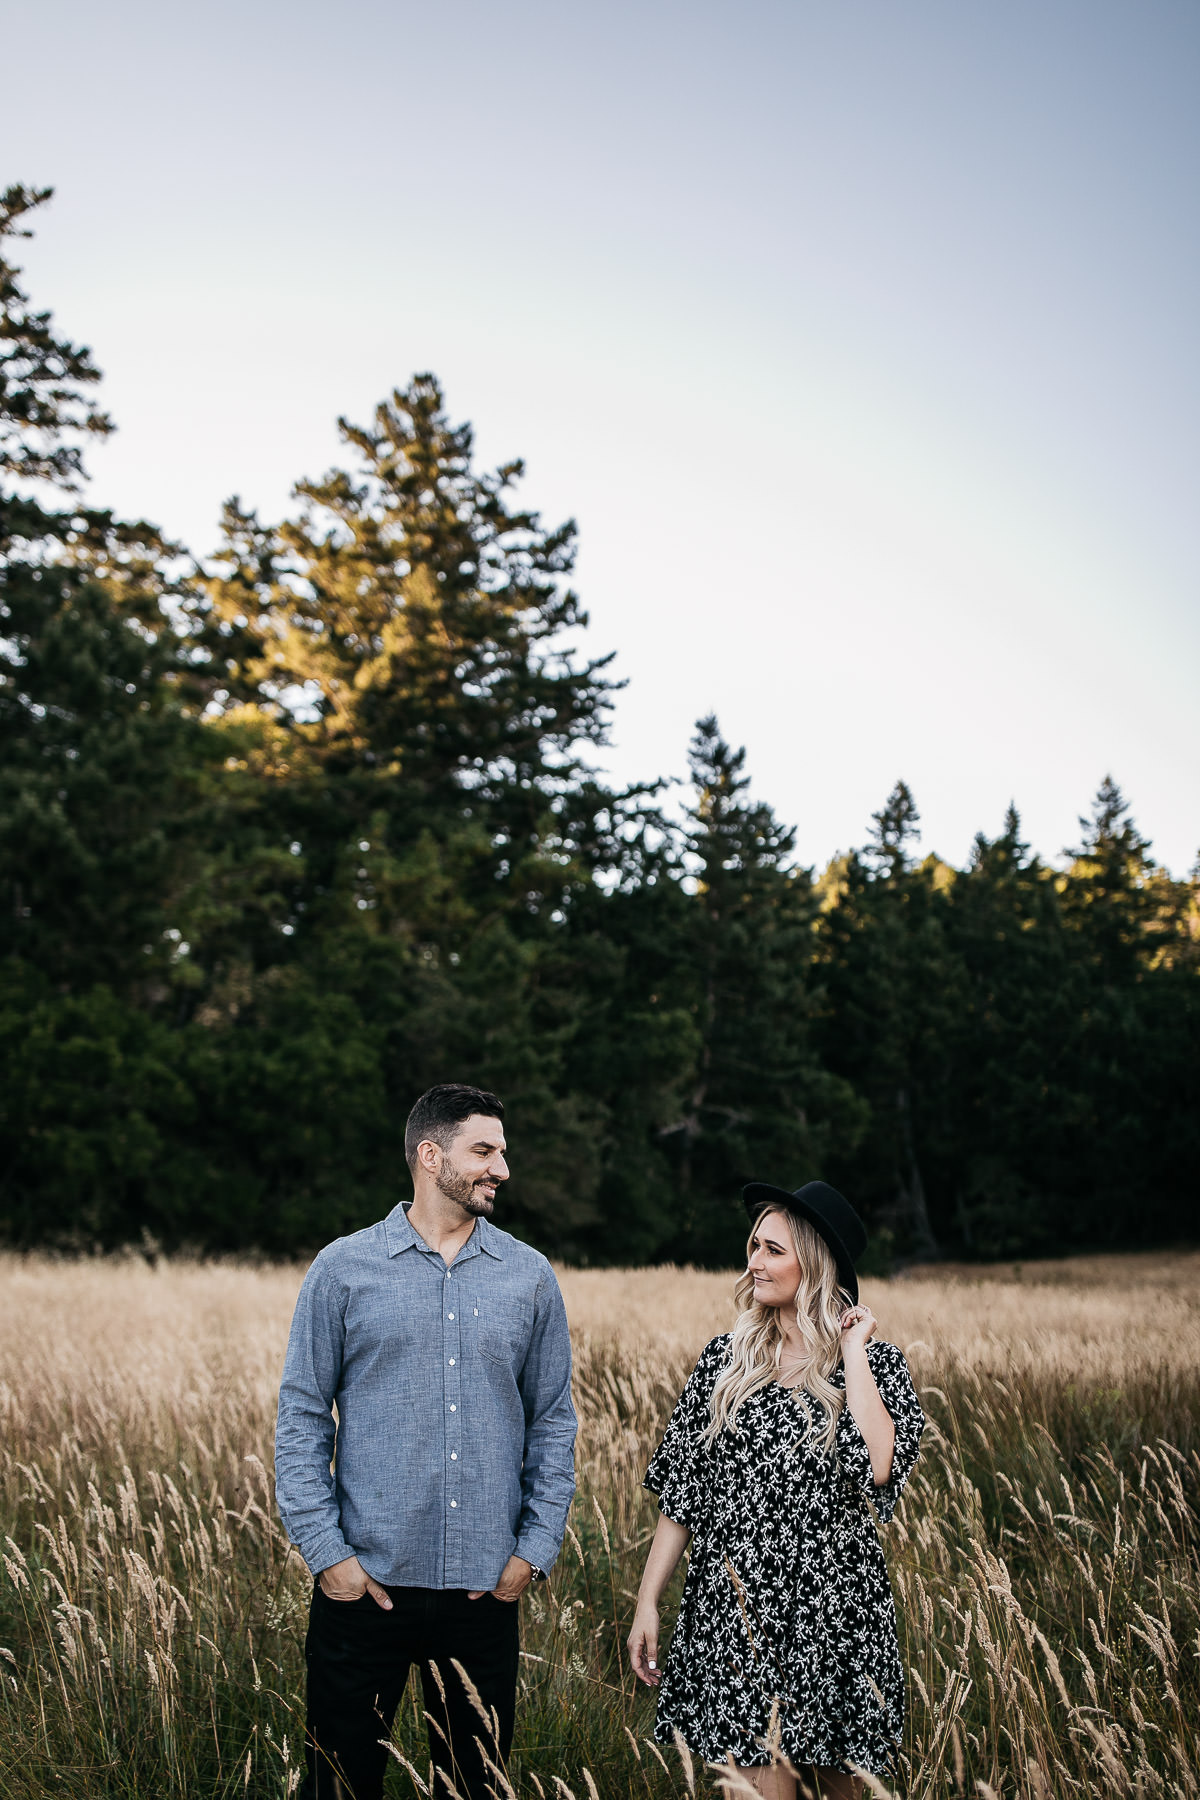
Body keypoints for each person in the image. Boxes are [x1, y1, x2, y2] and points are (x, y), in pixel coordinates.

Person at [275, 1083, 577, 1800]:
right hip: (364, 1588)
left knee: (474, 1789)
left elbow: (554, 1421)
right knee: (339, 1787)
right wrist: (329, 1558)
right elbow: (302, 1416)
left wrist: (532, 1552)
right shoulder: (342, 1269)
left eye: (503, 1152)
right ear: (431, 1155)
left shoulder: (529, 1277)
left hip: (484, 1593)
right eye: (484, 1151)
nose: (502, 1169)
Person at [627, 1181, 925, 1800]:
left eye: (772, 1250)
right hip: (737, 1617)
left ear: (813, 1264)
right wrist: (648, 1600)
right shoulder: (726, 1361)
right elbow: (683, 1494)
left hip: (836, 1616)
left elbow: (877, 1466)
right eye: (753, 1247)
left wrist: (853, 1350)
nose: (754, 1263)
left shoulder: (875, 1366)